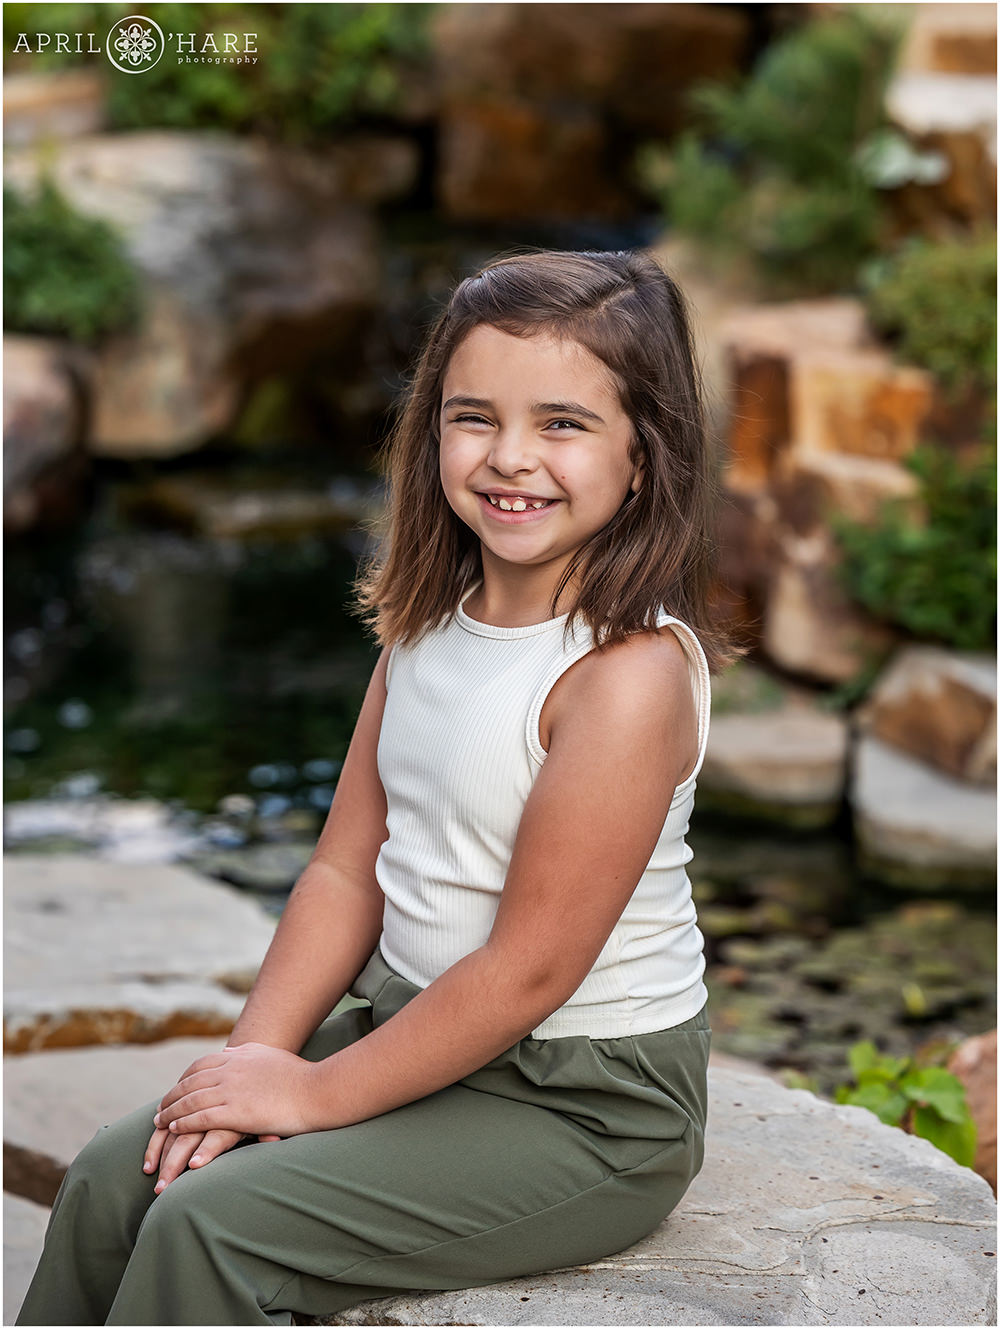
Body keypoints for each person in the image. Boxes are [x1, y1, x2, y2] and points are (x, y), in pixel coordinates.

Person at [17, 247, 744, 1327]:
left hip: (584, 1102)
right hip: (409, 1028)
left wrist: (312, 1093)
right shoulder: (427, 625)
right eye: (473, 417)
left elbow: (530, 971)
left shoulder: (625, 676)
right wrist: (257, 1060)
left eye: (562, 423)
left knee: (211, 1223)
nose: (510, 457)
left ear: (644, 456)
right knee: (115, 1178)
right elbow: (344, 871)